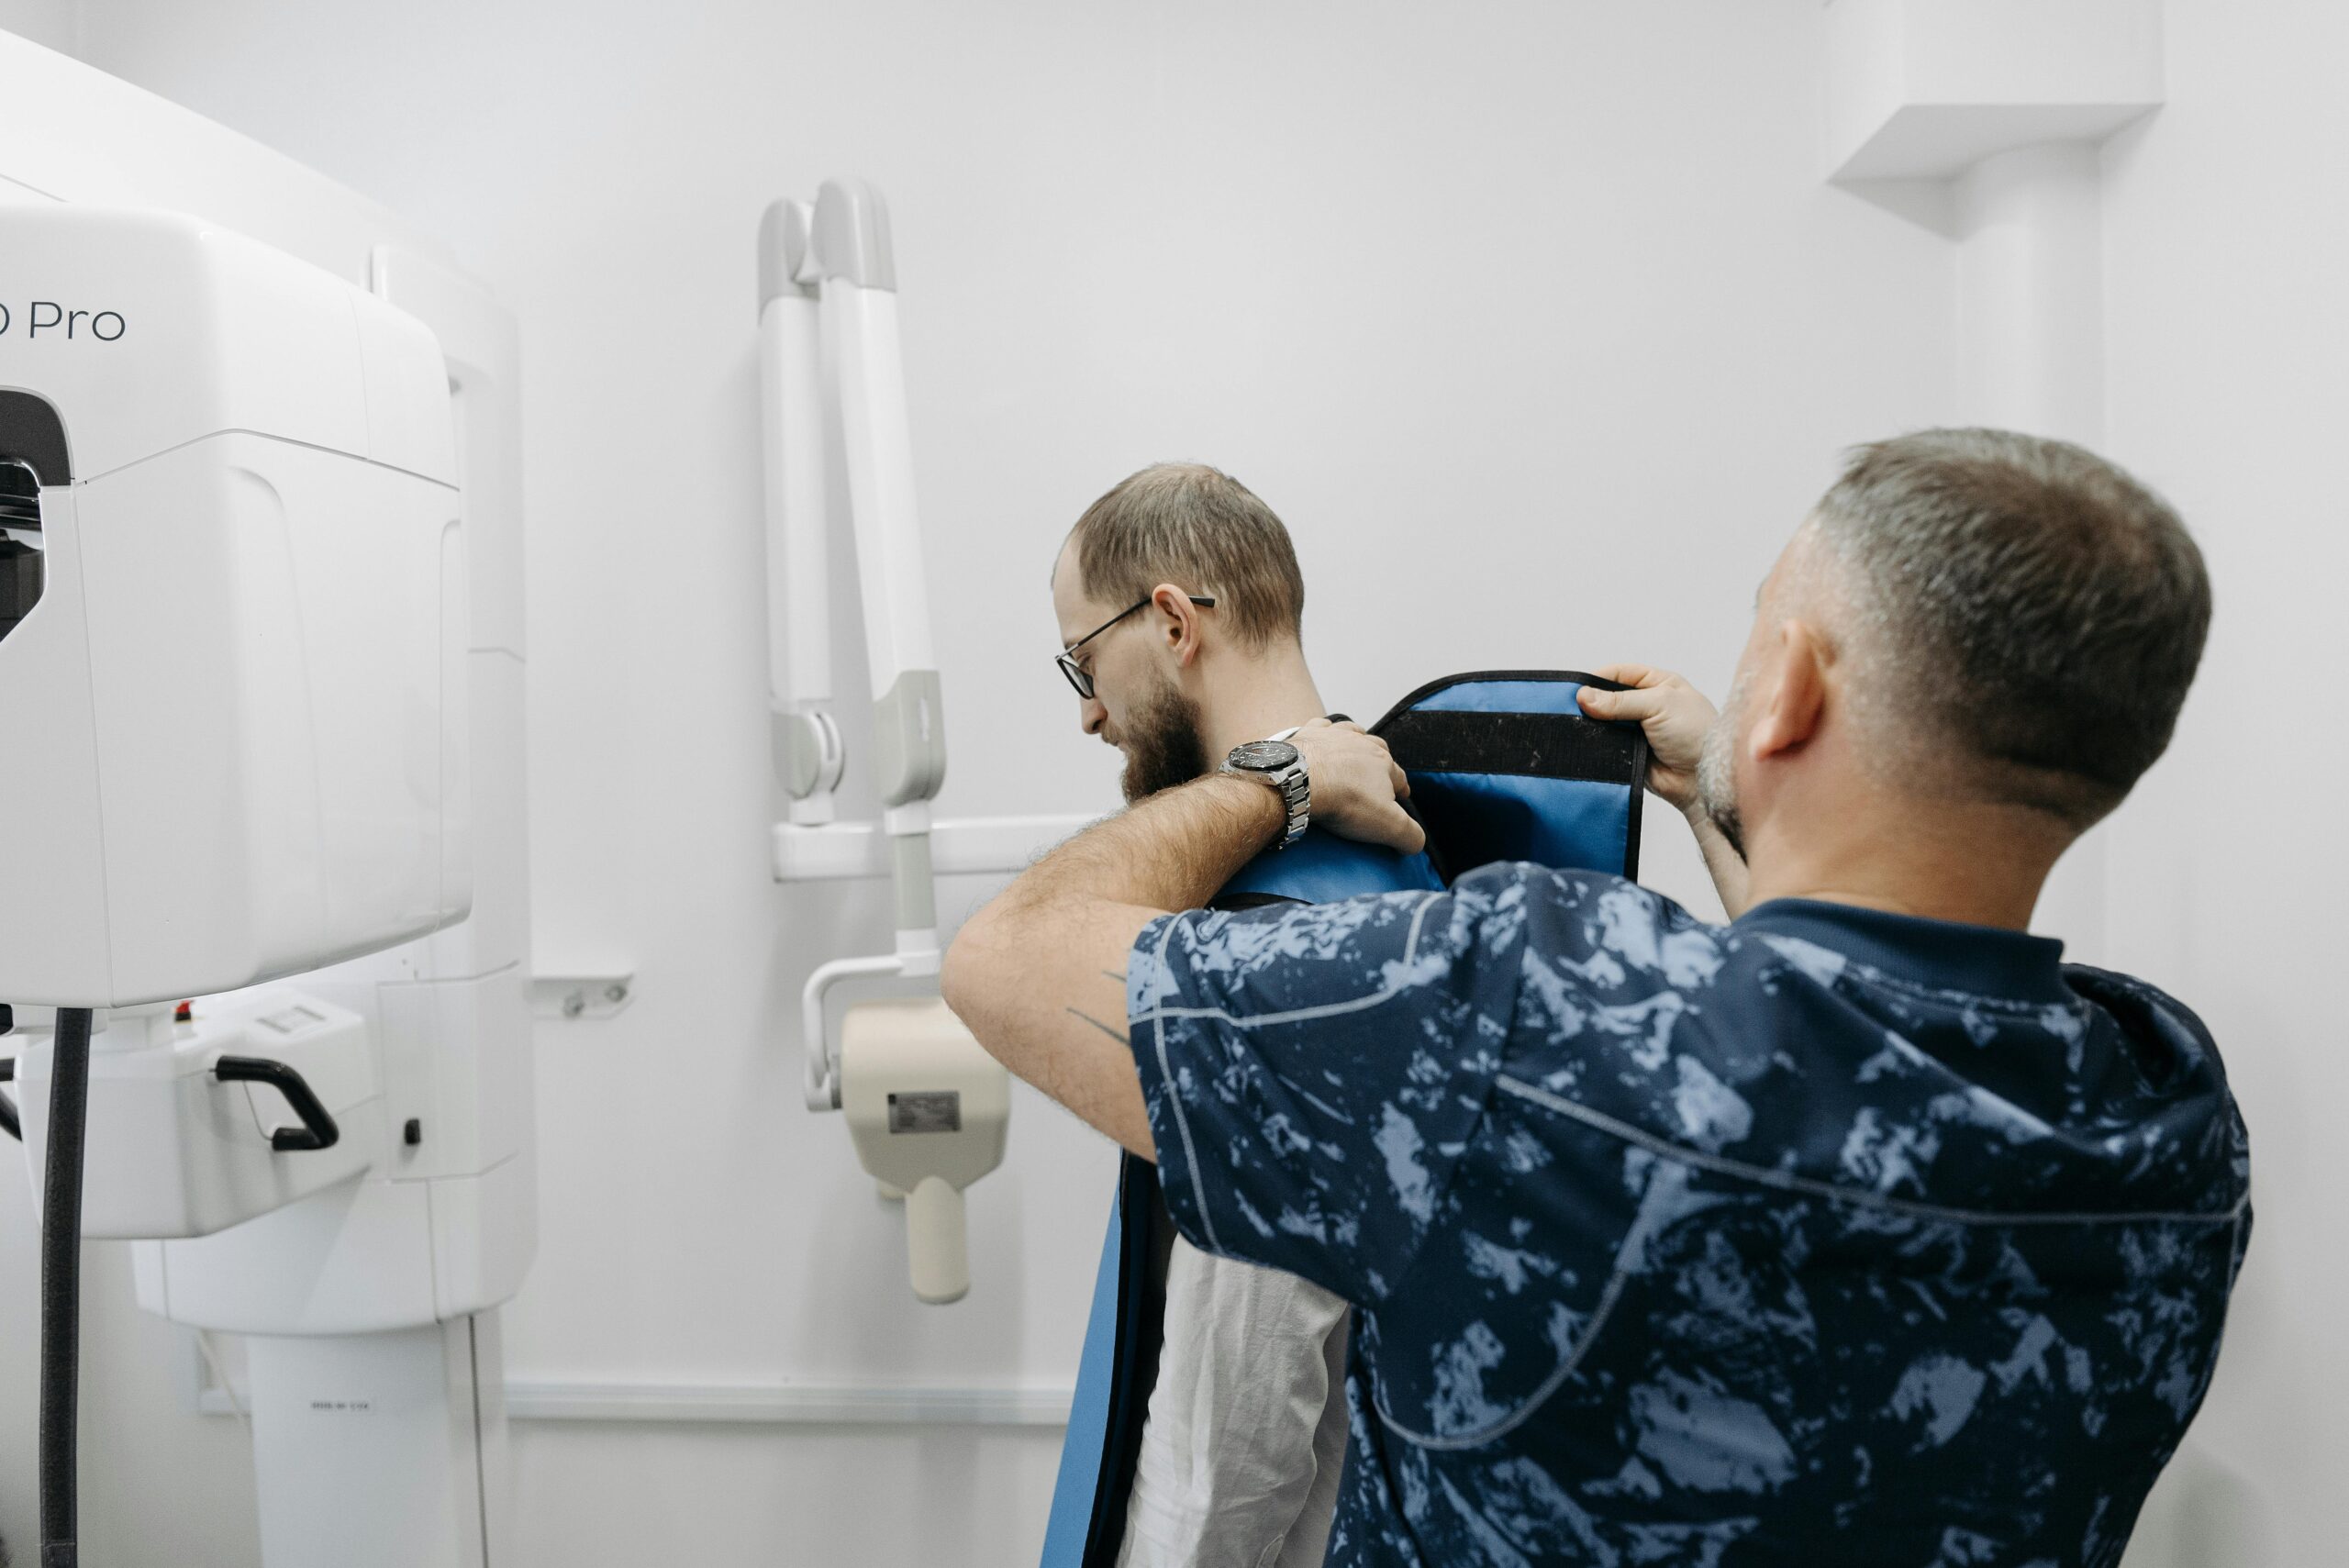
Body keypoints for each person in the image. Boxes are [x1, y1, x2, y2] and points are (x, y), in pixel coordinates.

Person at [946, 429, 2251, 1565]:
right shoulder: (2172, 1122)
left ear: (1788, 691)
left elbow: (1008, 959)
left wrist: (1282, 781)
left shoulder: (1520, 1010)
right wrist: (1721, 796)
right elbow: (1851, 1027)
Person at [1047, 462, 1407, 1568]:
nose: (1091, 713)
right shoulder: (1388, 862)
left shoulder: (1272, 953)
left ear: (1168, 622)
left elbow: (1222, 1470)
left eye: (1081, 663)